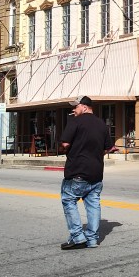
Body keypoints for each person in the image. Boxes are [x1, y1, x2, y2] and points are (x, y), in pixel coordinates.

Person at [59, 96, 113, 250]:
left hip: (77, 171)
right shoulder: (102, 124)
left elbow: (65, 143)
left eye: (75, 107)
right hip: (96, 173)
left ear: (84, 107)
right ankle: (92, 239)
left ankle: (77, 237)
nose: (73, 110)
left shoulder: (75, 121)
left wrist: (67, 150)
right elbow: (107, 148)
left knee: (69, 201)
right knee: (93, 204)